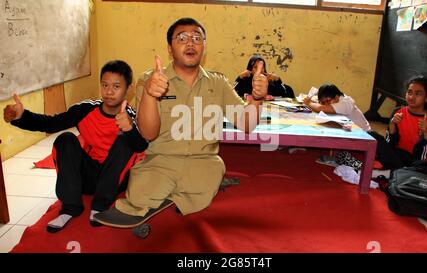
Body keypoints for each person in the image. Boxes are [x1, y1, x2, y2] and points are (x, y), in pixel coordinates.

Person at [94, 18, 268, 226]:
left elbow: (246, 125)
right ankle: (167, 197)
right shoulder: (150, 79)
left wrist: (256, 100)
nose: (191, 43)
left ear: (204, 46)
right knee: (139, 195)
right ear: (170, 48)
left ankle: (174, 196)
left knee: (208, 179)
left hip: (203, 161)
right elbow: (148, 134)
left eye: (197, 38)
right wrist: (150, 94)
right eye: (182, 38)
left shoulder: (218, 82)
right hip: (160, 161)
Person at [3, 60, 148, 232]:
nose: (109, 92)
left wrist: (129, 128)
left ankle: (99, 207)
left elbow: (141, 147)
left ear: (128, 89)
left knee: (126, 141)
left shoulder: (129, 116)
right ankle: (70, 208)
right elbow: (52, 124)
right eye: (105, 85)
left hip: (114, 182)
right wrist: (22, 116)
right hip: (88, 177)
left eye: (116, 87)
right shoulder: (85, 110)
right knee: (65, 139)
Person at [368, 75, 427, 170]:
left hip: (413, 161)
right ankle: (398, 171)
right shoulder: (398, 112)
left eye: (418, 94)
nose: (412, 97)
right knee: (371, 135)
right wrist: (392, 125)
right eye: (409, 92)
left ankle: (397, 170)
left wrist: (426, 133)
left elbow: (421, 155)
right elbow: (389, 145)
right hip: (396, 156)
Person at [303, 83, 371, 131]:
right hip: (349, 129)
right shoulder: (337, 99)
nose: (326, 104)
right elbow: (321, 105)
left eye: (327, 101)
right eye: (323, 102)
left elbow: (320, 108)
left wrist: (308, 102)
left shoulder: (346, 103)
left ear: (336, 96)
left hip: (364, 133)